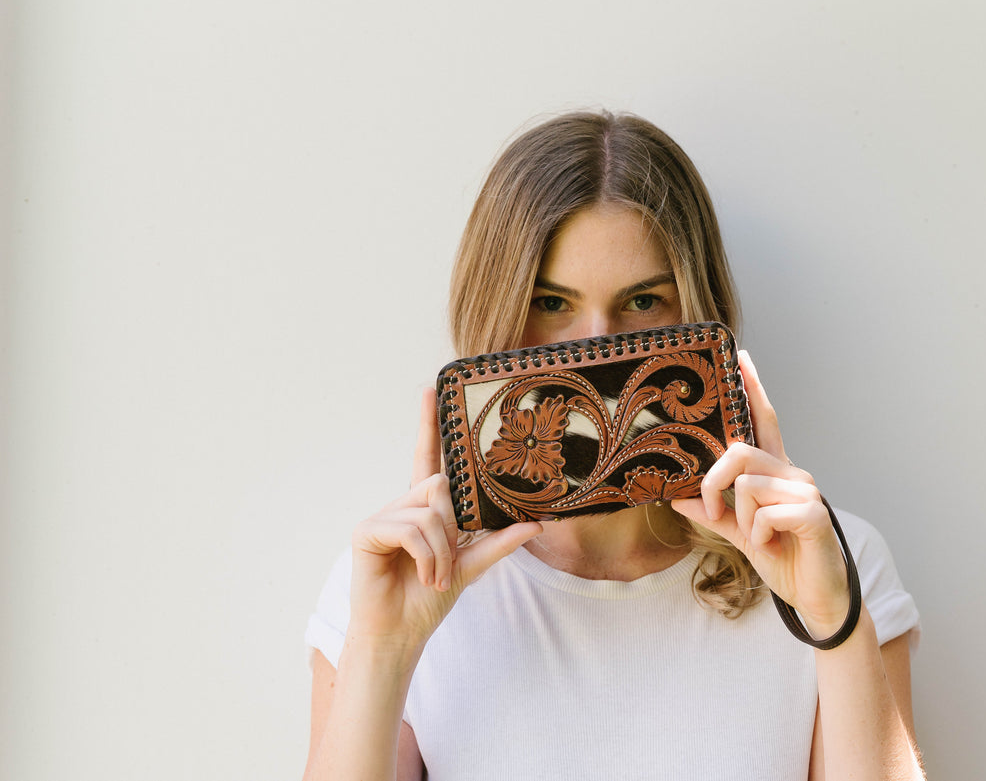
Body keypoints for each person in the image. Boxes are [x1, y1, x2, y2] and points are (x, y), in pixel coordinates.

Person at [302, 111, 924, 780]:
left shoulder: (827, 561)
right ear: (494, 310)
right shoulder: (393, 585)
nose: (592, 346)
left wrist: (834, 615)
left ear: (695, 311)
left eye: (642, 301)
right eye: (550, 300)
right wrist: (383, 649)